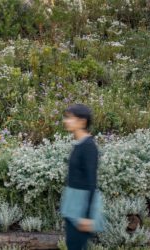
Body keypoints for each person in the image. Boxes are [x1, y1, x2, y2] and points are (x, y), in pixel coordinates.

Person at [60, 104, 104, 250]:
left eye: (70, 118)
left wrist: (87, 216)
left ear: (82, 122)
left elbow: (92, 182)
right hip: (72, 203)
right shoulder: (79, 144)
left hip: (81, 207)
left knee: (75, 246)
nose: (66, 121)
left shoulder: (88, 146)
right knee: (73, 245)